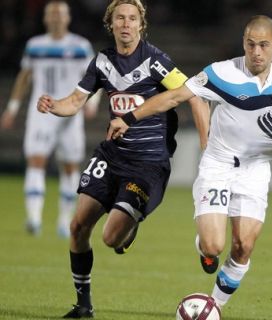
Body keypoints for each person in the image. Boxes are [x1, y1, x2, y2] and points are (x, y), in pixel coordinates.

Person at [107, 15, 272, 312]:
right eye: (250, 45)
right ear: (243, 44)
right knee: (213, 247)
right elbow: (175, 97)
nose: (256, 52)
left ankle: (214, 308)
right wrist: (128, 118)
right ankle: (204, 246)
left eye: (263, 45)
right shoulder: (221, 74)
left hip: (255, 169)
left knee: (243, 246)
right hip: (219, 164)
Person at [36, 0, 209, 318]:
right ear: (111, 24)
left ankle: (129, 225)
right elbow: (75, 101)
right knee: (77, 226)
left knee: (110, 238)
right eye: (120, 18)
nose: (126, 24)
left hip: (147, 165)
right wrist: (53, 104)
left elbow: (194, 97)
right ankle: (83, 305)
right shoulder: (102, 62)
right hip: (111, 155)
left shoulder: (155, 61)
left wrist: (206, 147)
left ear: (141, 25)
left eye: (132, 18)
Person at [0, 0, 100, 238]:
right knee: (36, 161)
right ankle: (34, 219)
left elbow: (96, 76)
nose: (56, 17)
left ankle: (64, 221)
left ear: (68, 18)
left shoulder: (80, 46)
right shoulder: (35, 45)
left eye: (60, 14)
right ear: (45, 18)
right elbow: (24, 77)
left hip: (69, 113)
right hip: (41, 114)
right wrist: (12, 108)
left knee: (70, 167)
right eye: (52, 14)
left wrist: (92, 103)